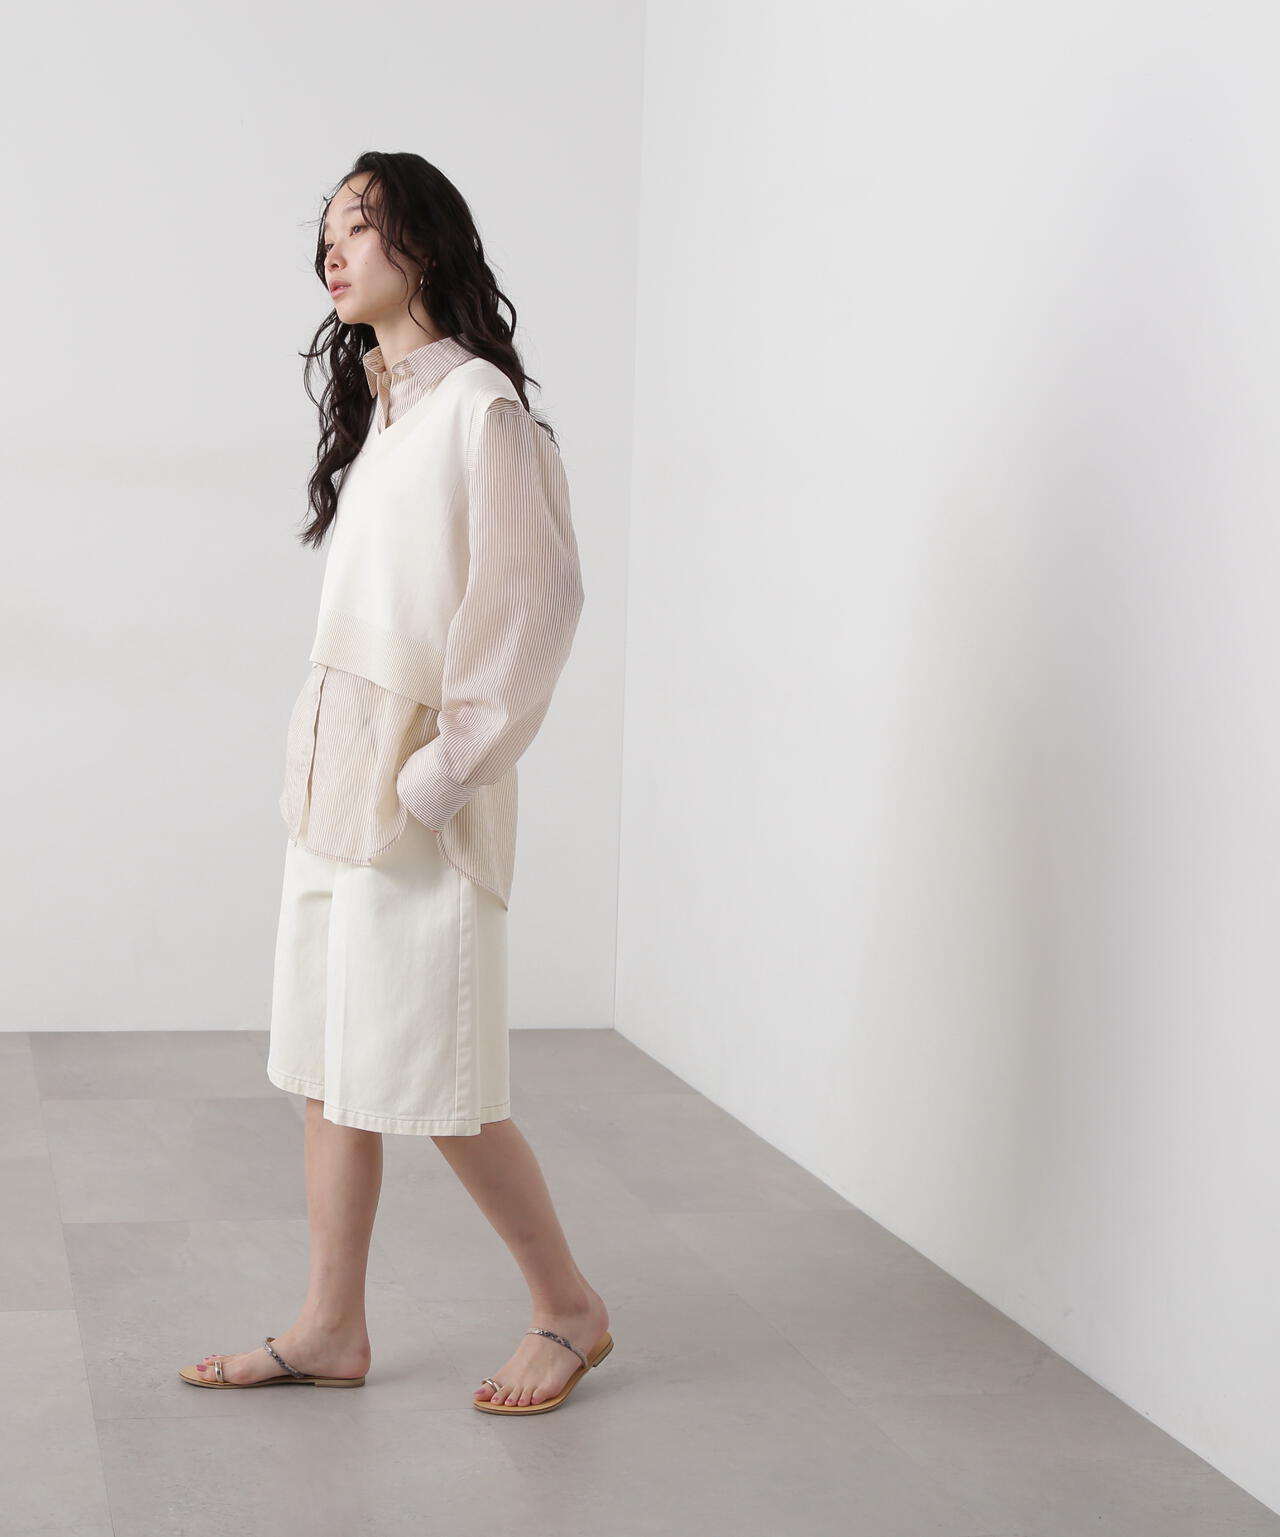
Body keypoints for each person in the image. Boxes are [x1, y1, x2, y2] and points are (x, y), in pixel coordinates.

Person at [177, 152, 610, 1415]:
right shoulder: (387, 410)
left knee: (440, 1083)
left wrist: (440, 774)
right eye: (326, 228)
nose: (335, 247)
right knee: (332, 1065)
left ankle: (569, 1308)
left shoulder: (479, 408)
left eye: (360, 224)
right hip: (333, 790)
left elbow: (538, 605)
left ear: (423, 242)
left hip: (417, 805)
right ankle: (330, 1326)